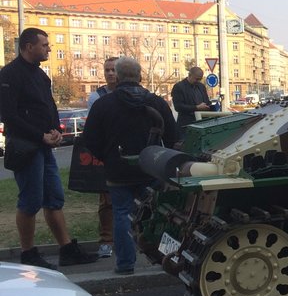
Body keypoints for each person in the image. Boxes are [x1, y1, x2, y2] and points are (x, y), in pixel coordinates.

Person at [0, 27, 97, 269]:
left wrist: (55, 130)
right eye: (44, 45)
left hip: (44, 146)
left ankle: (66, 250)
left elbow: (48, 107)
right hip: (26, 148)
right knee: (30, 201)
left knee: (54, 199)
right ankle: (28, 254)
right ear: (29, 46)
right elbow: (8, 115)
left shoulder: (41, 75)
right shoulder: (10, 74)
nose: (49, 49)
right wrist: (40, 135)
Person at [82, 56, 177, 275]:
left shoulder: (103, 105)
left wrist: (108, 157)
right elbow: (173, 138)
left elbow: (90, 139)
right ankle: (167, 258)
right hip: (151, 168)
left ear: (119, 76)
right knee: (162, 212)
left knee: (122, 214)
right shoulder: (156, 102)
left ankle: (125, 264)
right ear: (140, 76)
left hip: (118, 170)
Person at [87, 56, 119, 258]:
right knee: (106, 200)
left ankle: (132, 238)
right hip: (107, 154)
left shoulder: (133, 94)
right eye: (107, 70)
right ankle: (106, 240)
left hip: (129, 152)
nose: (109, 73)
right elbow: (92, 129)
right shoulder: (96, 97)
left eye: (113, 70)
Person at [171, 66, 209, 138]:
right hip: (186, 125)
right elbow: (178, 106)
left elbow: (206, 101)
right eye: (196, 79)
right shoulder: (179, 87)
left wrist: (209, 106)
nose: (198, 81)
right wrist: (196, 107)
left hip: (202, 123)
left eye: (200, 79)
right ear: (189, 75)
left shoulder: (201, 86)